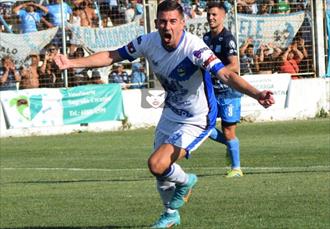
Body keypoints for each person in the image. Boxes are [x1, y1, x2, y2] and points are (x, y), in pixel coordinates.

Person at [54, 1, 274, 227]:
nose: (167, 27)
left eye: (172, 22)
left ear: (182, 23)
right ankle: (170, 214)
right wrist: (71, 63)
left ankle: (186, 181)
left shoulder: (195, 48)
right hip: (171, 111)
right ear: (156, 23)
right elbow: (112, 56)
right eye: (162, 22)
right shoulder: (147, 42)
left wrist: (257, 94)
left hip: (197, 117)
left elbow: (226, 75)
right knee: (161, 171)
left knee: (157, 164)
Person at [203, 2, 244, 178]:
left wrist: (217, 72)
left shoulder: (228, 38)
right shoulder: (205, 39)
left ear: (223, 16)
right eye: (209, 14)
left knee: (228, 131)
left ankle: (236, 168)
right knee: (203, 127)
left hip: (228, 92)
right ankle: (229, 145)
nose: (211, 18)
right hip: (210, 92)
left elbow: (234, 66)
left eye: (214, 15)